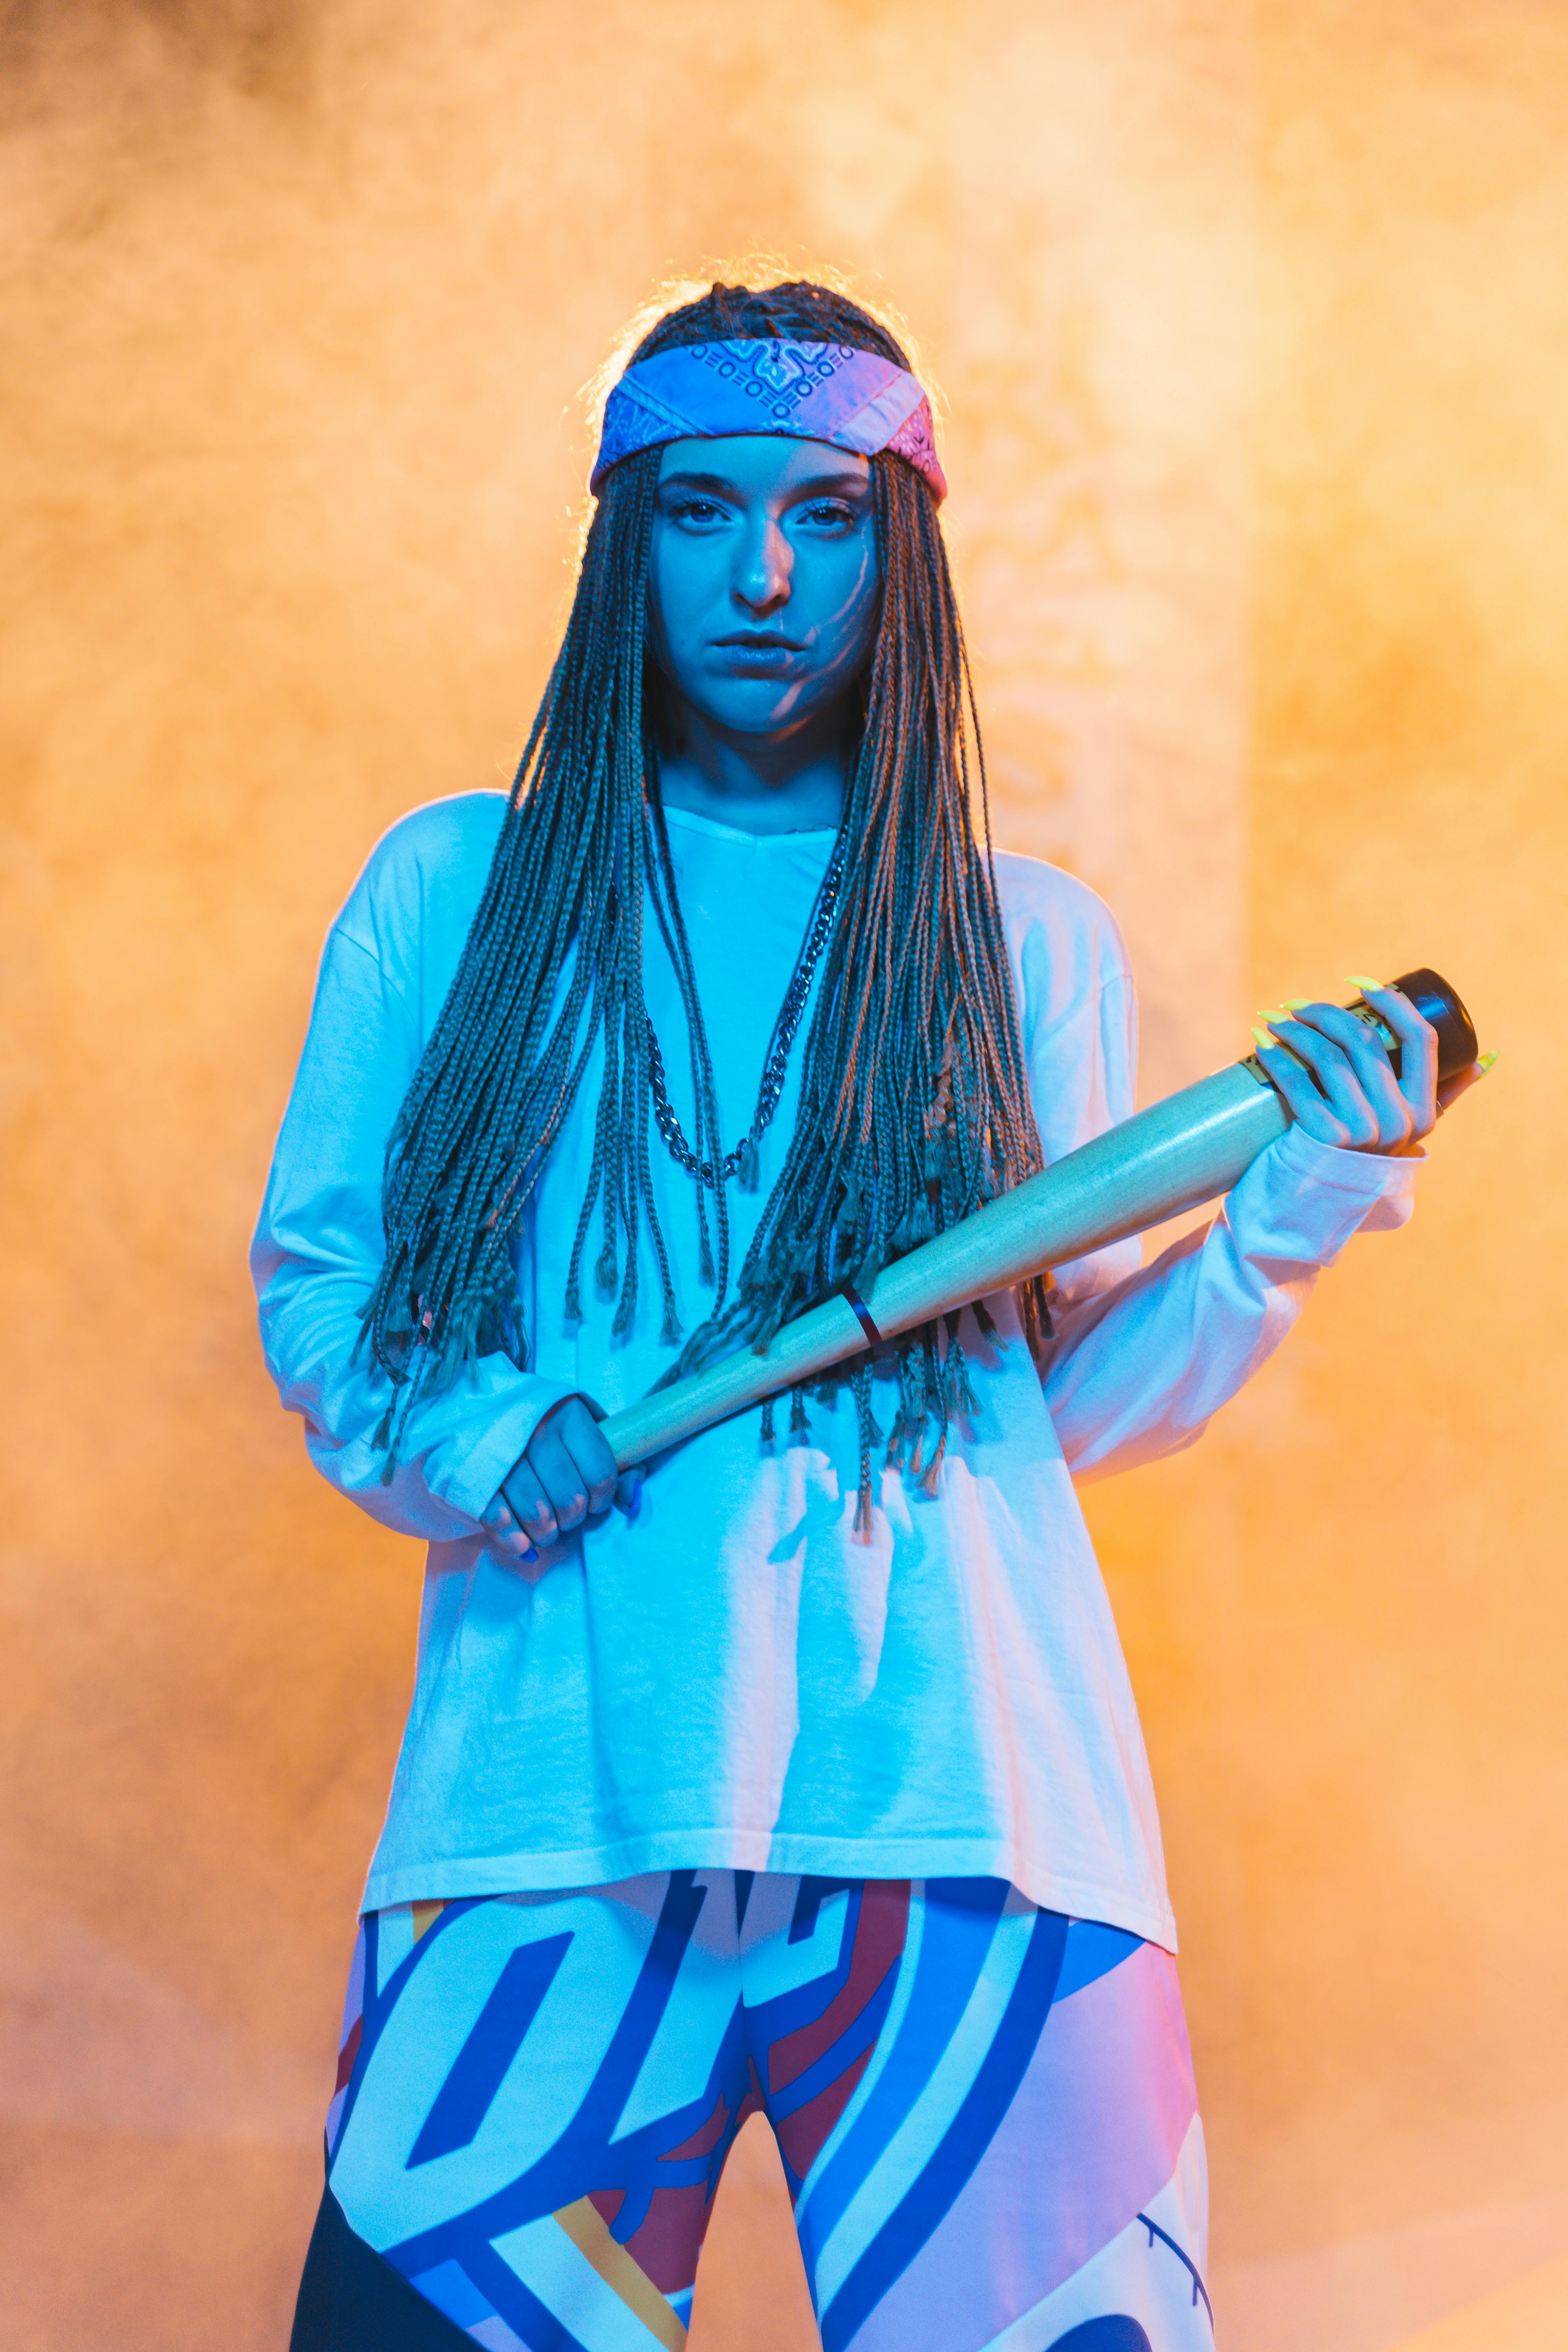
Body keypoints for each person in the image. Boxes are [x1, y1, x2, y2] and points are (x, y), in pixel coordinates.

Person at [255, 278, 1442, 2352]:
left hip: (973, 1815)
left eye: (829, 512)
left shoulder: (1016, 935)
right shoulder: (459, 890)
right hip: (554, 1820)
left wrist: (1292, 1206)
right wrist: (468, 1434)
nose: (768, 575)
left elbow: (1046, 1410)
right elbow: (328, 1287)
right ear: (625, 542)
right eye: (704, 513)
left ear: (913, 552)